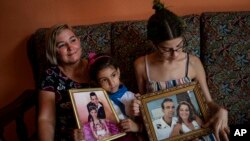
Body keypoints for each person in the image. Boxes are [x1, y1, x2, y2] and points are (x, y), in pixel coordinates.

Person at [131, 1, 230, 141]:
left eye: (179, 46)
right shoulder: (141, 65)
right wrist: (136, 107)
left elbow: (208, 102)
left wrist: (221, 110)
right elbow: (144, 106)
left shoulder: (193, 63)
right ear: (154, 43)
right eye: (166, 49)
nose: (175, 54)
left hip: (195, 131)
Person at [38, 24, 91, 141]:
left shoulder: (97, 66)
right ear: (54, 51)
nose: (70, 47)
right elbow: (46, 119)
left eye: (73, 40)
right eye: (61, 45)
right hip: (67, 136)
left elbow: (117, 92)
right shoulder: (50, 76)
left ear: (79, 41)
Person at [88, 53, 144, 140]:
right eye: (104, 80)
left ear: (118, 72)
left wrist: (136, 126)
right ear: (97, 83)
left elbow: (148, 125)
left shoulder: (132, 97)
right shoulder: (98, 104)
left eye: (113, 75)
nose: (111, 83)